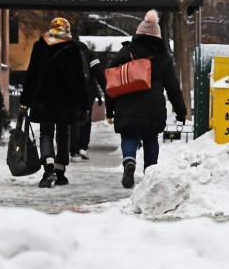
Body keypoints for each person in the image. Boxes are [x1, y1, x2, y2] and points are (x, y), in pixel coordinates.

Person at [105, 10, 187, 188]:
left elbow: (110, 81)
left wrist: (110, 109)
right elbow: (173, 87)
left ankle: (129, 160)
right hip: (153, 107)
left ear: (138, 33)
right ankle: (150, 174)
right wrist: (181, 111)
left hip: (127, 104)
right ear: (158, 36)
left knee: (129, 134)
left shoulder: (125, 52)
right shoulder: (163, 58)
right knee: (150, 138)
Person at [20, 17, 90, 187]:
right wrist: (83, 106)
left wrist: (25, 102)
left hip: (43, 99)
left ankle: (48, 168)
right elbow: (80, 80)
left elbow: (31, 75)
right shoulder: (72, 48)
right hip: (66, 100)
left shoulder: (39, 46)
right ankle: (60, 172)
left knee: (46, 132)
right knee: (63, 133)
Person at [70, 34, 106, 160]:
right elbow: (99, 72)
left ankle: (72, 149)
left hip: (69, 92)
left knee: (71, 120)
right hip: (87, 92)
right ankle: (83, 147)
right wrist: (107, 89)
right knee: (85, 120)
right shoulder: (89, 54)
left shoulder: (65, 52)